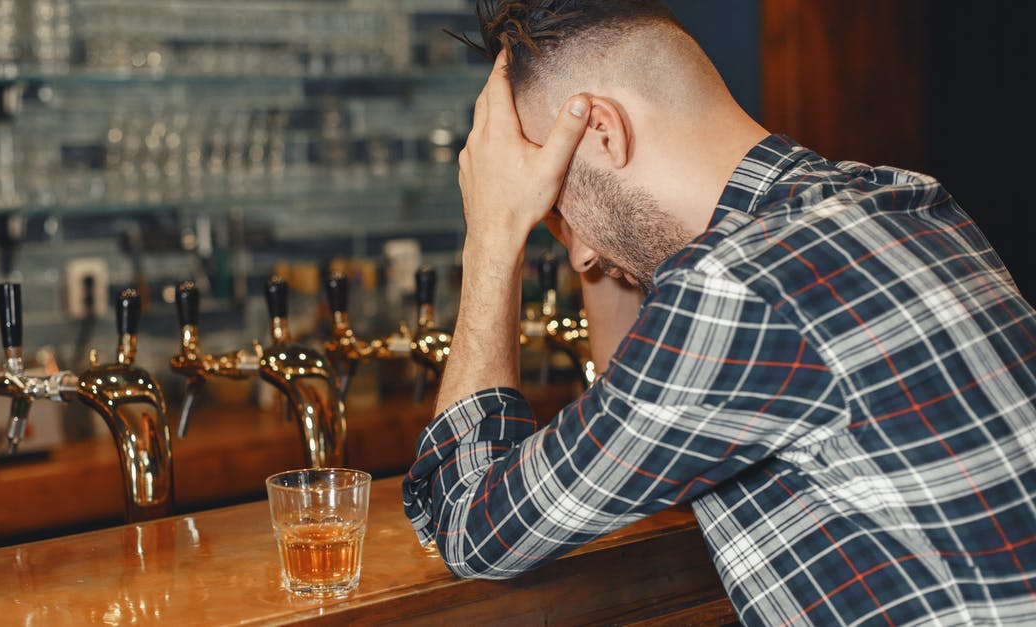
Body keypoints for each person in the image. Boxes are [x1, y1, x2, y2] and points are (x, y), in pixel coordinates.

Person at [400, 1, 1036, 625]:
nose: (580, 254)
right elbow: (636, 420)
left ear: (602, 132)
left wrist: (492, 232)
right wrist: (589, 225)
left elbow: (468, 523)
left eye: (556, 207)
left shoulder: (737, 284)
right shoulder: (902, 198)